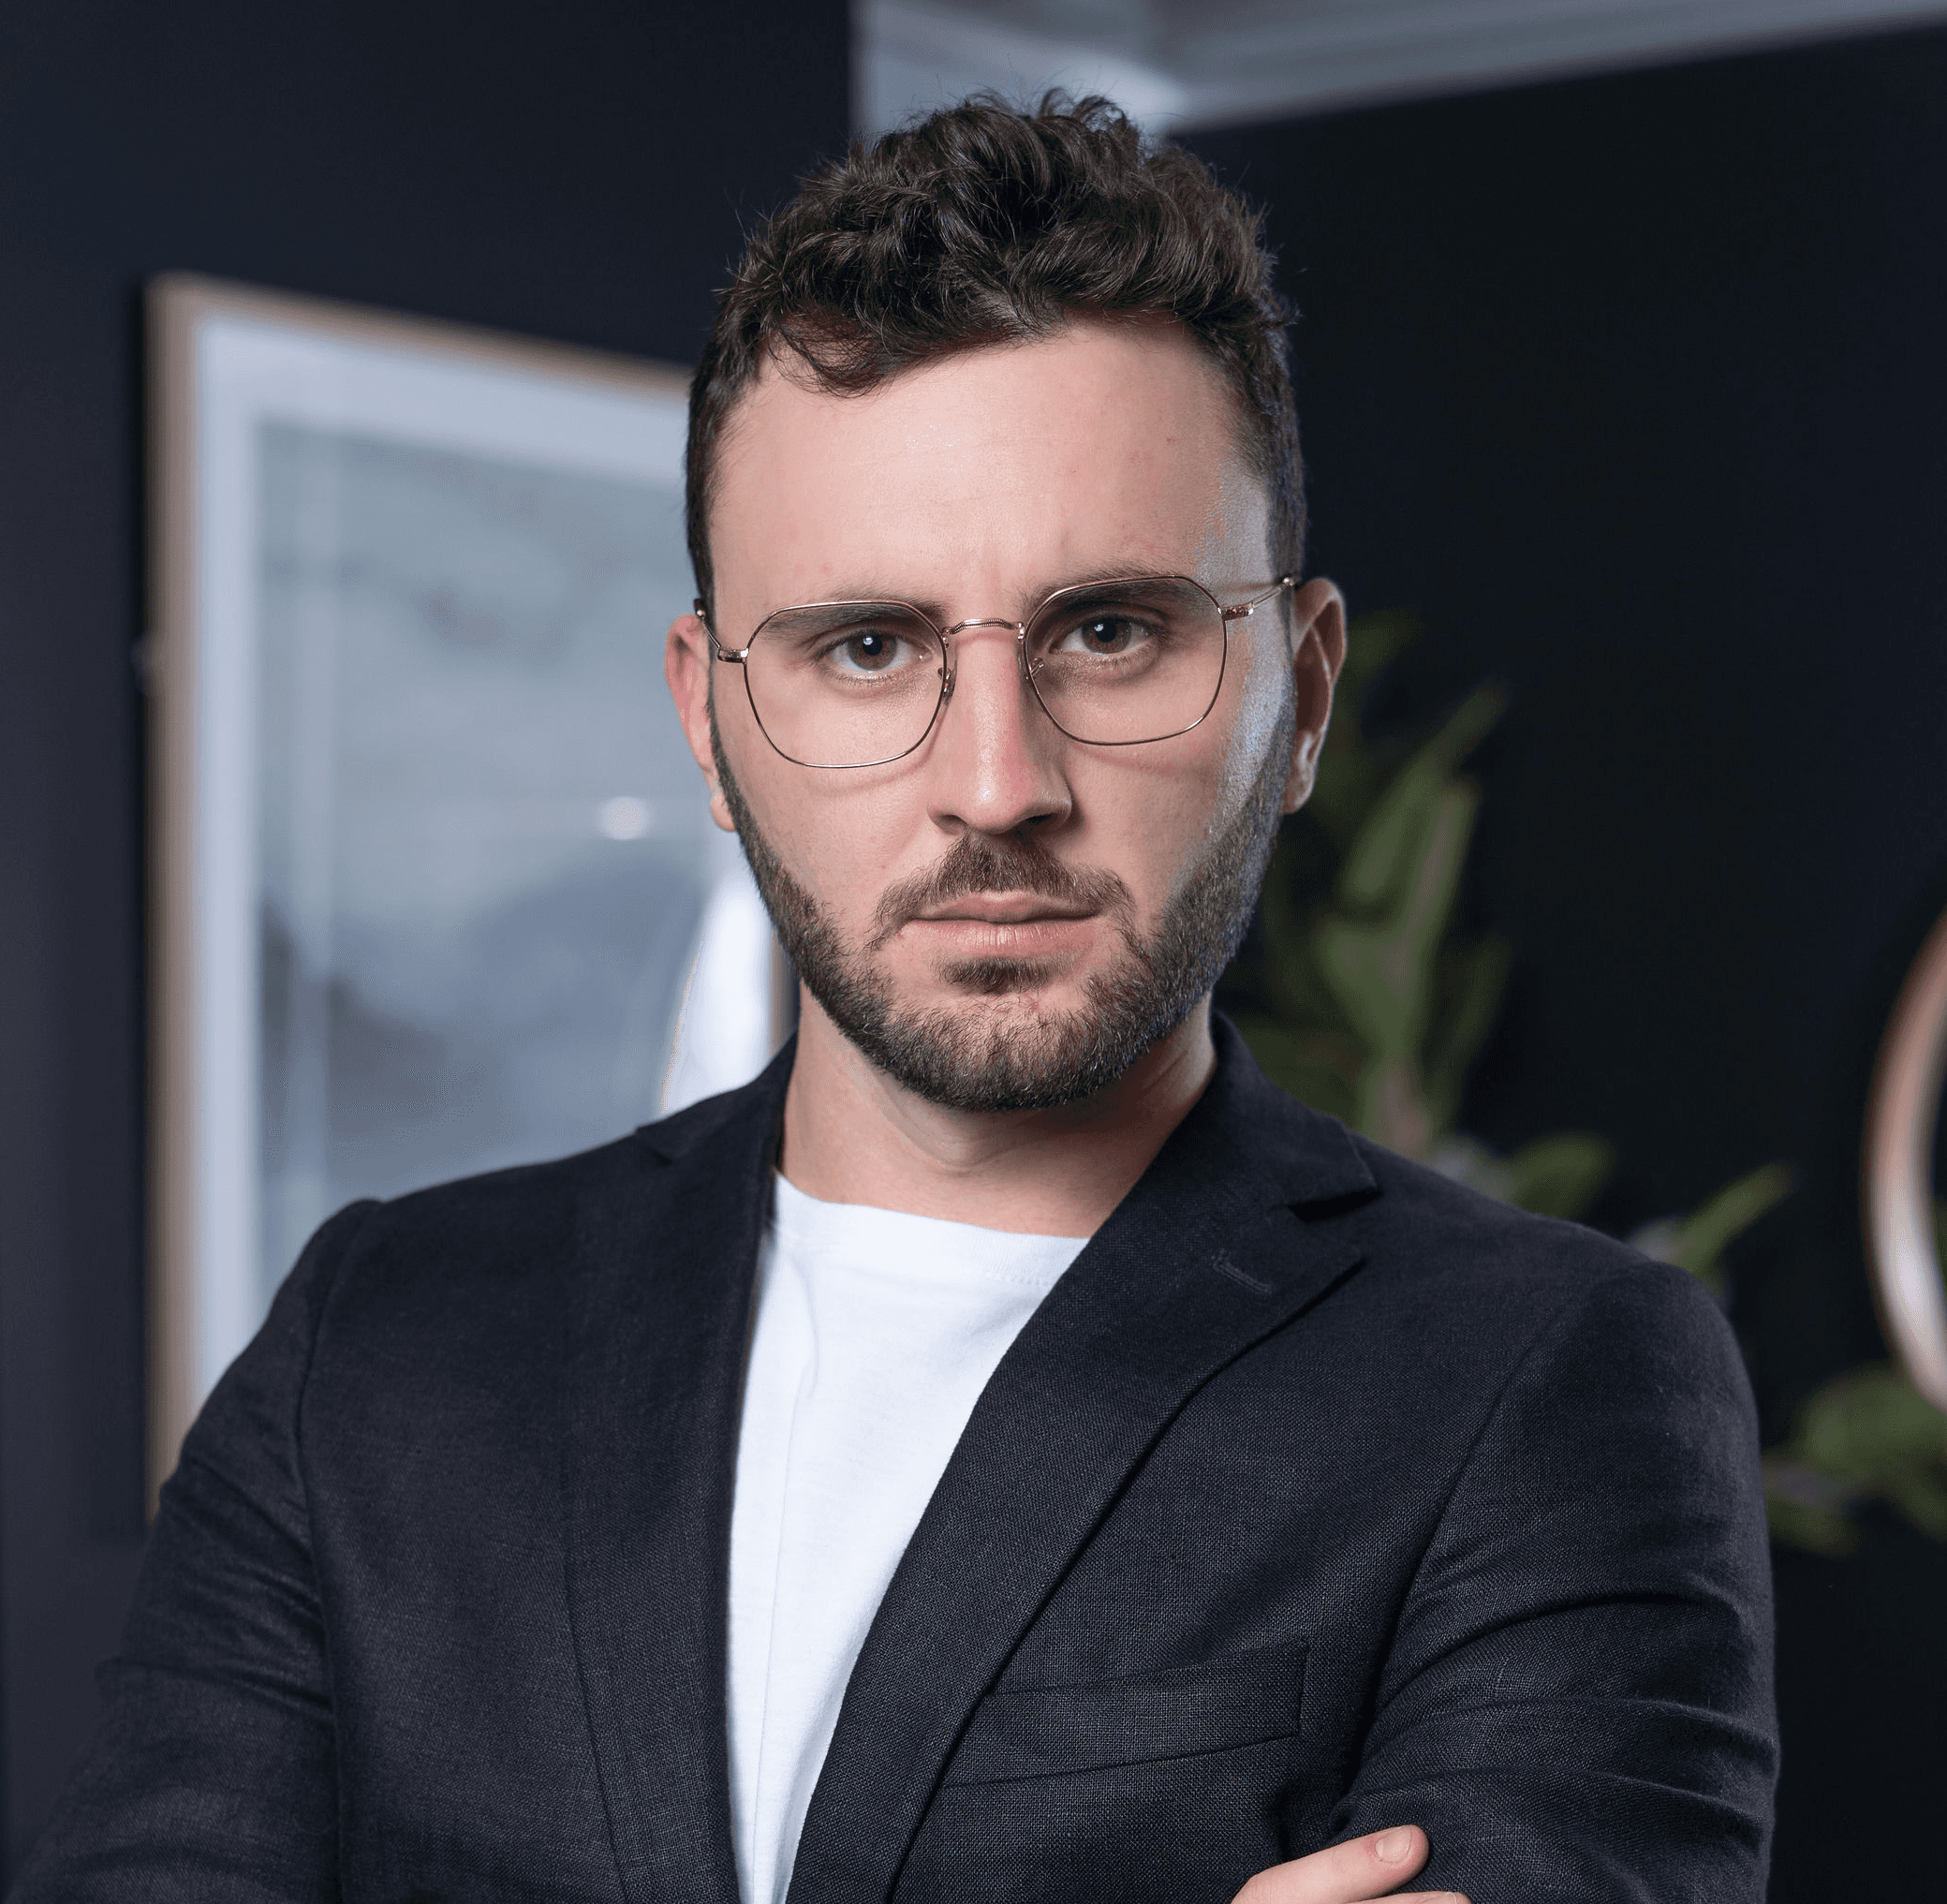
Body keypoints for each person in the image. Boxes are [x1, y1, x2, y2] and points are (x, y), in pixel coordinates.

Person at [16, 96, 1776, 1904]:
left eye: (1109, 630)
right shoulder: (374, 1346)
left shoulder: (1548, 1377)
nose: (996, 783)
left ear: (1300, 695)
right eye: (868, 648)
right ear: (711, 719)